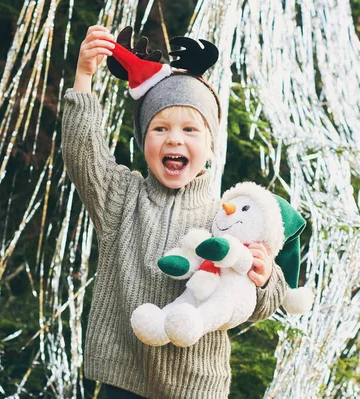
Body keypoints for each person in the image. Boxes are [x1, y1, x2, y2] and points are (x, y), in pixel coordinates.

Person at [60, 25, 286, 398]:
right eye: (160, 128)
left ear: (211, 146)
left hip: (196, 385)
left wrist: (265, 279)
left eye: (190, 130)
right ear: (144, 141)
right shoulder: (120, 196)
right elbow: (82, 152)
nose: (175, 139)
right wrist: (84, 76)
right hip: (124, 377)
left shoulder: (229, 216)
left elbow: (253, 303)